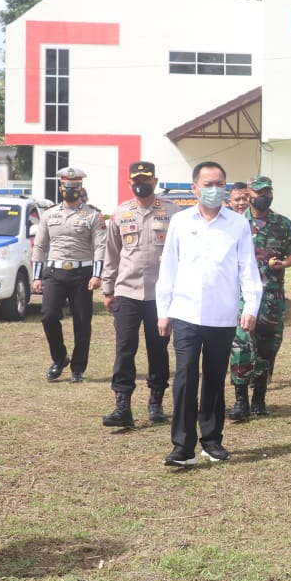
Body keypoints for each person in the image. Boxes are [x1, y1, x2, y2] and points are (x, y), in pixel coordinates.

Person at [157, 161, 262, 467]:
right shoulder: (179, 221)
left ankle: (212, 441)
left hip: (223, 315)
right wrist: (163, 311)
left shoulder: (238, 224)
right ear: (195, 188)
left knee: (215, 379)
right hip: (186, 312)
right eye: (208, 184)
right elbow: (169, 269)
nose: (215, 190)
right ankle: (182, 447)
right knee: (186, 377)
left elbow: (248, 271)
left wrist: (251, 307)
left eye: (220, 184)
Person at [99, 161, 181, 428]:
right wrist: (108, 289)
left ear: (155, 182)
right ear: (129, 183)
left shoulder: (173, 213)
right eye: (136, 179)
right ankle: (122, 404)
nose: (141, 183)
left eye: (146, 179)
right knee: (125, 349)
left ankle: (156, 401)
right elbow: (111, 254)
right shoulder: (120, 213)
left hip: (161, 295)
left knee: (158, 349)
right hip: (127, 292)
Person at [228, 175, 291, 420]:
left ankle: (259, 397)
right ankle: (240, 400)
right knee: (240, 346)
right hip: (241, 298)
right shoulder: (234, 223)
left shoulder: (284, 224)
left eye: (267, 192)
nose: (263, 197)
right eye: (258, 192)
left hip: (272, 297)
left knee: (268, 348)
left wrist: (282, 263)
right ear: (249, 195)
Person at [32, 167, 107, 383]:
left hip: (82, 273)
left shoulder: (93, 215)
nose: (71, 190)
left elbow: (100, 246)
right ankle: (59, 358)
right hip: (54, 272)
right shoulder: (49, 214)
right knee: (48, 315)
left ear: (80, 188)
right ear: (60, 188)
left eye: (75, 187)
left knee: (82, 321)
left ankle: (78, 367)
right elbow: (40, 246)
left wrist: (97, 275)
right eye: (67, 187)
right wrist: (37, 276)